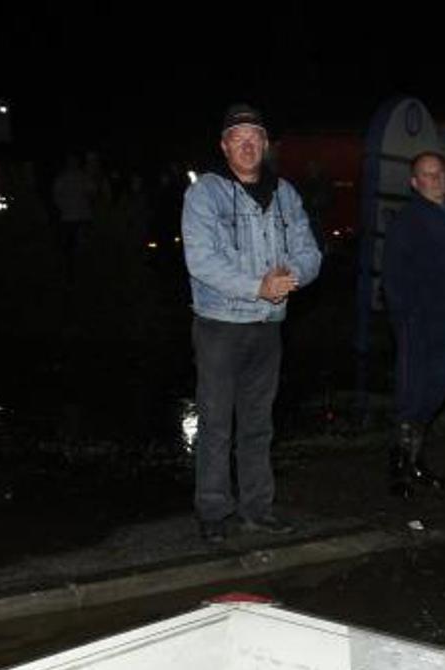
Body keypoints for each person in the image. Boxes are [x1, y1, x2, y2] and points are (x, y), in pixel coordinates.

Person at [182, 103, 322, 542]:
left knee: (258, 424)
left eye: (254, 137)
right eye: (237, 138)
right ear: (224, 146)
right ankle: (213, 511)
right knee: (216, 422)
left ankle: (257, 509)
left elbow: (310, 252)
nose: (247, 145)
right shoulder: (205, 193)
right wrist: (257, 286)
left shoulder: (285, 194)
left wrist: (289, 278)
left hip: (268, 326)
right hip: (219, 326)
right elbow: (201, 260)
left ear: (265, 144)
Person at [382, 151, 445, 497]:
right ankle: (400, 470)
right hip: (416, 322)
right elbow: (392, 274)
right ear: (414, 182)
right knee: (412, 392)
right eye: (427, 174)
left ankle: (416, 462)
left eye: (439, 173)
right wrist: (404, 316)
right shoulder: (408, 221)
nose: (435, 179)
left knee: (436, 390)